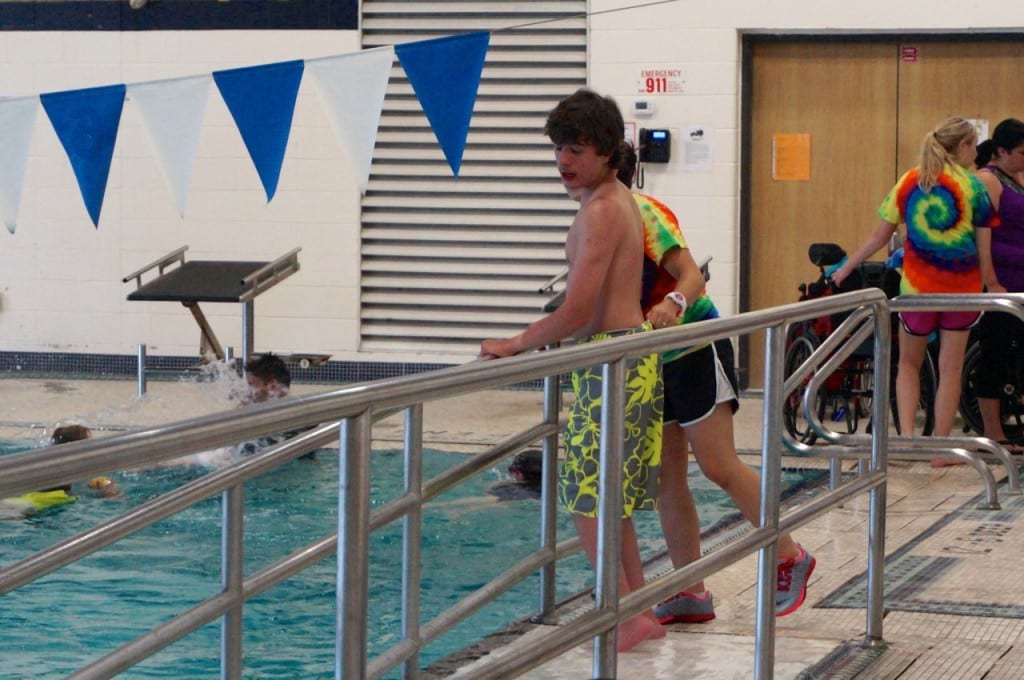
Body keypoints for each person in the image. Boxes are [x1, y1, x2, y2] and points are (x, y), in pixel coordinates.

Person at [479, 88, 665, 651]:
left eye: (578, 149)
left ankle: (625, 614)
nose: (564, 160)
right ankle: (636, 608)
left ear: (609, 152)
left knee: (586, 495)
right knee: (610, 496)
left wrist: (517, 343)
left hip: (611, 360)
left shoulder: (604, 210)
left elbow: (579, 309)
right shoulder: (613, 200)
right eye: (559, 147)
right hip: (621, 359)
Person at [614, 144, 815, 624]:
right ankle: (690, 589)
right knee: (667, 479)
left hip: (695, 348)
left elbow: (690, 276)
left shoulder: (643, 212)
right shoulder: (598, 220)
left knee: (719, 466)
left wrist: (675, 303)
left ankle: (790, 553)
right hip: (651, 362)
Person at [832, 116, 998, 466]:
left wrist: (847, 267)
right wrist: (991, 284)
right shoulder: (974, 187)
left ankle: (906, 439)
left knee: (908, 363)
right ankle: (940, 447)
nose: (975, 152)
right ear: (964, 146)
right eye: (973, 145)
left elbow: (879, 237)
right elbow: (984, 248)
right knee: (950, 368)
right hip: (961, 290)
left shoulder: (910, 181)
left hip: (917, 289)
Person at [972, 119, 1024, 454]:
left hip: (1018, 281)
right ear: (1001, 151)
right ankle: (993, 431)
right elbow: (983, 237)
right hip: (1000, 282)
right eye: (1021, 152)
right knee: (995, 353)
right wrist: (992, 282)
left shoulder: (1014, 179)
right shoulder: (987, 180)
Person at [1, 424, 120, 518]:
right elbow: (112, 496)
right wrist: (109, 487)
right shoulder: (86, 475)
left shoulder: (49, 465)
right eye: (90, 443)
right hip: (37, 504)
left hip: (25, 501)